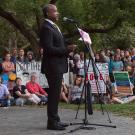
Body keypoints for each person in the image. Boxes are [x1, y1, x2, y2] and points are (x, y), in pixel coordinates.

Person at [40, 4, 76, 130]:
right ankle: (52, 123)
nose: (58, 13)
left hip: (57, 66)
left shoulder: (53, 26)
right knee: (54, 95)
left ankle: (56, 120)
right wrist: (66, 50)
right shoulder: (46, 27)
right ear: (48, 13)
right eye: (55, 11)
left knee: (56, 94)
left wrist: (69, 45)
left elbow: (58, 43)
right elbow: (49, 49)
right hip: (52, 66)